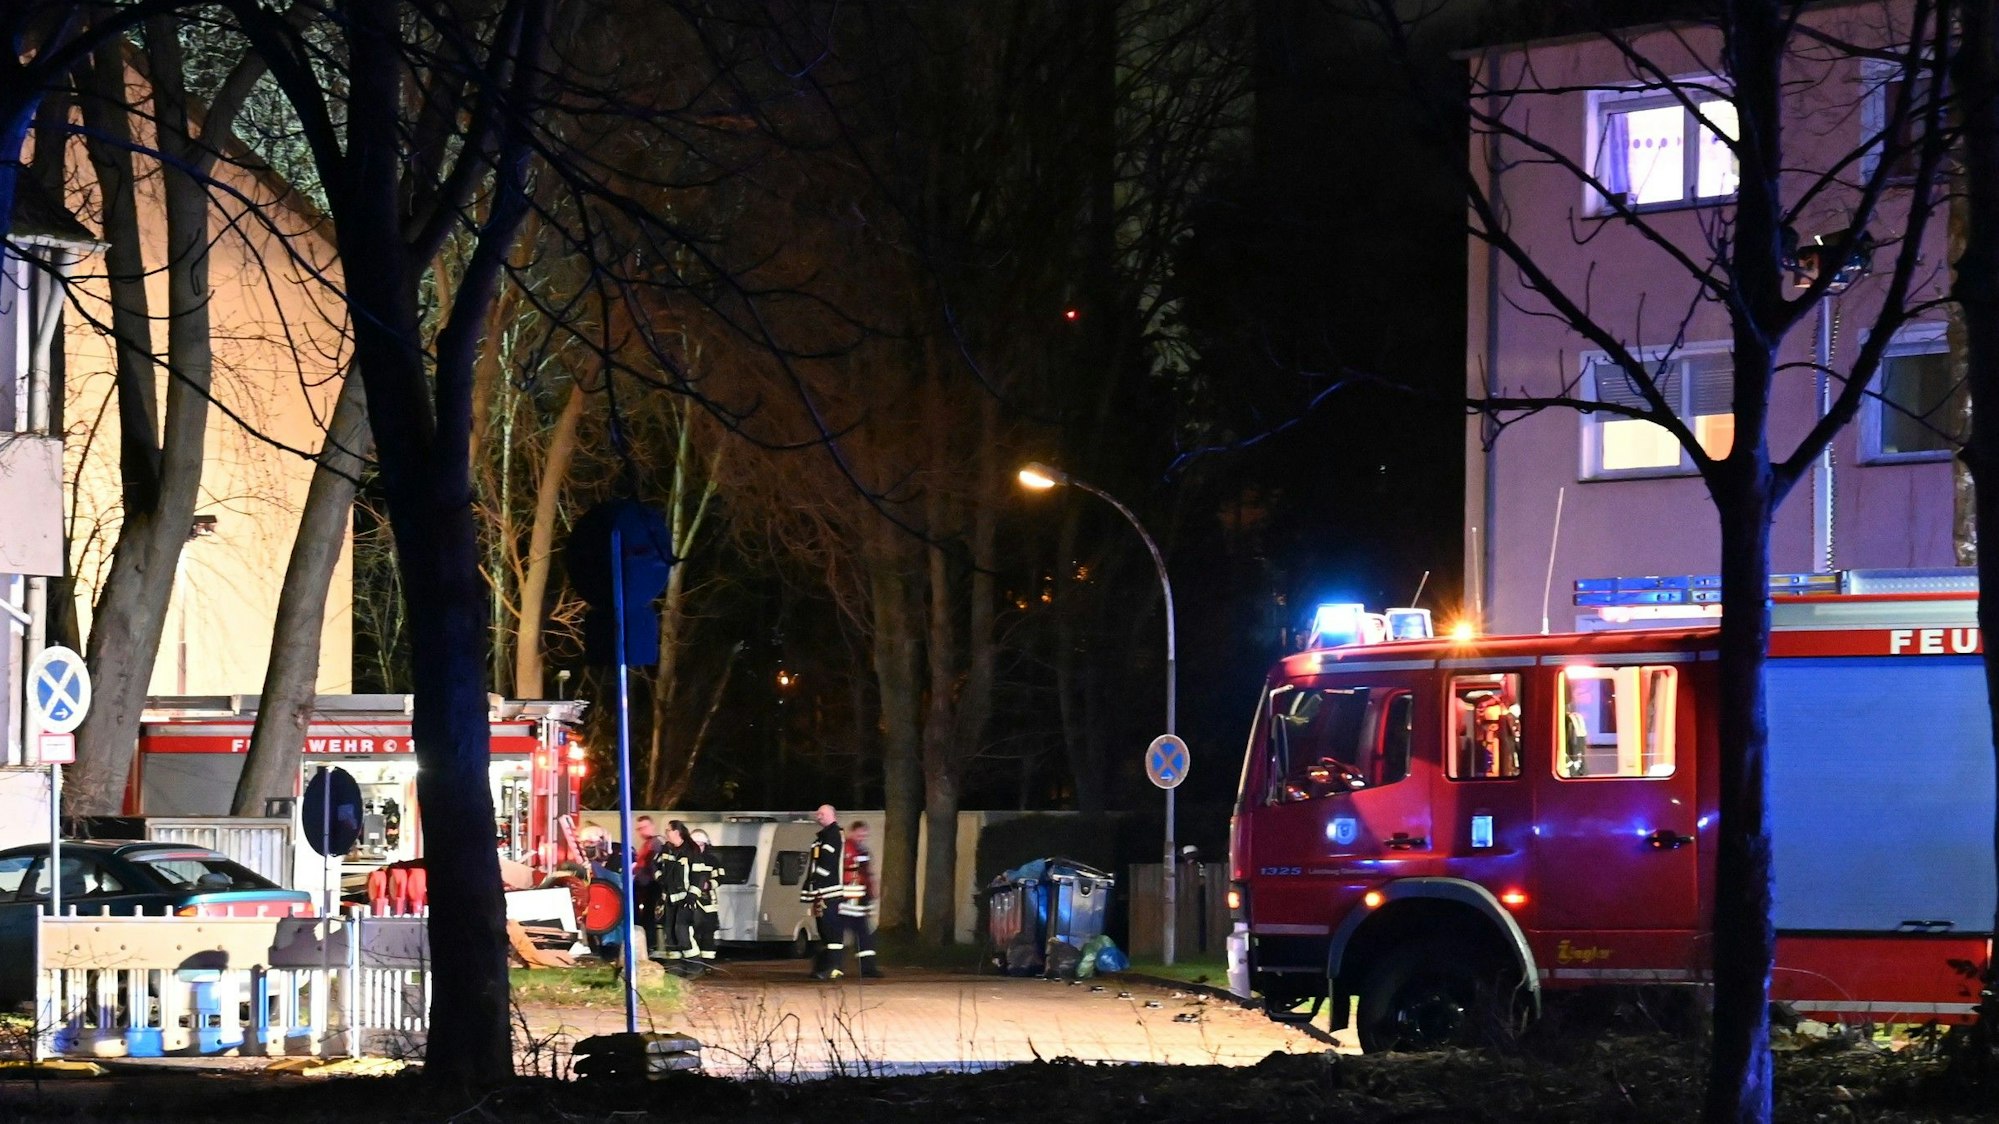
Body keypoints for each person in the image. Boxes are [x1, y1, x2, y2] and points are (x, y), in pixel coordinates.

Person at [830, 820, 883, 978]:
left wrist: (872, 889)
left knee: (863, 934)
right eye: (860, 834)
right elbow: (853, 873)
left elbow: (866, 873)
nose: (862, 837)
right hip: (848, 901)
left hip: (859, 900)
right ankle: (834, 967)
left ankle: (867, 968)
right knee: (841, 935)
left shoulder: (861, 850)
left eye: (865, 834)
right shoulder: (848, 849)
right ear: (852, 832)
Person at [800, 804, 846, 979]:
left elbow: (827, 863)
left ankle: (833, 968)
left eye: (822, 813)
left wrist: (815, 880)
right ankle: (826, 966)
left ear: (832, 815)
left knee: (831, 930)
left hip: (829, 892)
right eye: (817, 813)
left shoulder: (832, 835)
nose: (818, 816)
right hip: (822, 891)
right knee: (824, 930)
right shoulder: (824, 836)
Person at [649, 820, 695, 968]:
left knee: (682, 933)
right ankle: (676, 966)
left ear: (676, 832)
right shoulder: (666, 850)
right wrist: (660, 878)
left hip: (684, 899)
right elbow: (654, 865)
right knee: (670, 933)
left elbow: (699, 876)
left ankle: (695, 965)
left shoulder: (690, 851)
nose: (666, 833)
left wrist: (692, 894)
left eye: (668, 830)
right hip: (669, 899)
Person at [686, 828, 721, 968]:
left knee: (708, 934)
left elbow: (721, 878)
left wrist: (709, 884)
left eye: (701, 845)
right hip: (690, 902)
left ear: (706, 845)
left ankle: (708, 964)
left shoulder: (712, 861)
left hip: (708, 904)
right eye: (695, 845)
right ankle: (694, 963)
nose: (698, 848)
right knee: (690, 933)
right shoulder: (685, 859)